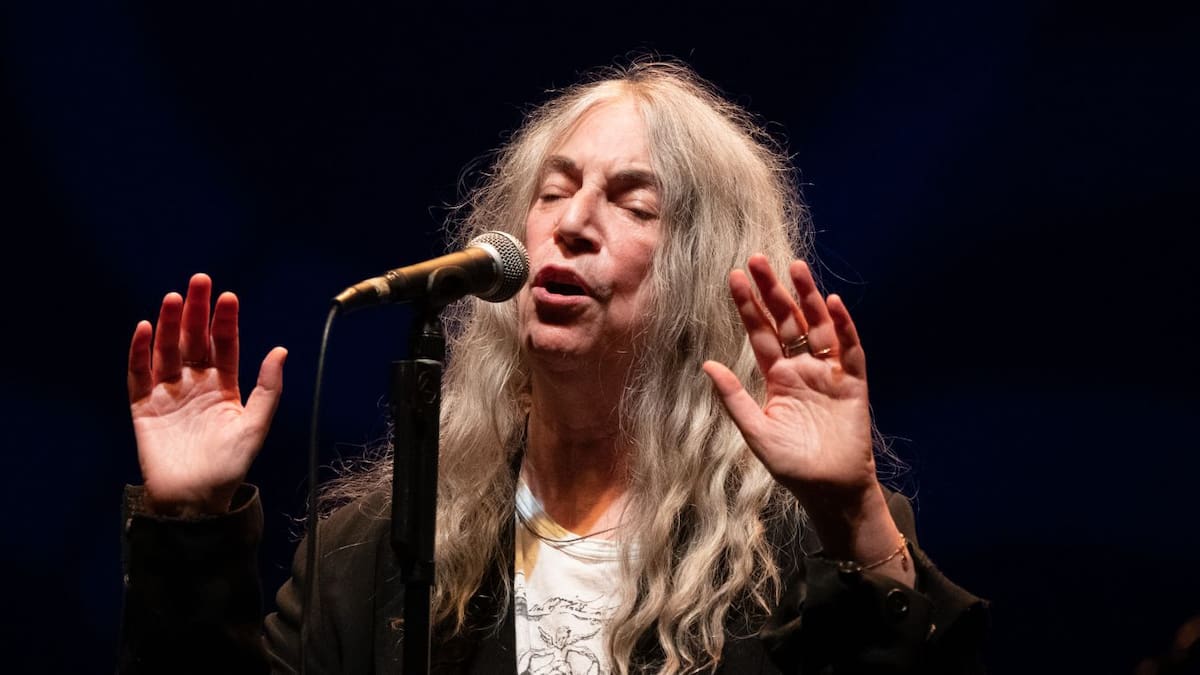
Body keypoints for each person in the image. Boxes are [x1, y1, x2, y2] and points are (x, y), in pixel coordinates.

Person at [118, 60, 988, 674]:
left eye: (632, 203)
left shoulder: (799, 546)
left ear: (699, 274)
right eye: (553, 191)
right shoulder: (383, 549)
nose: (572, 223)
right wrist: (189, 522)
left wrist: (856, 518)